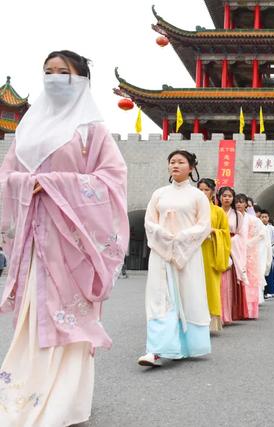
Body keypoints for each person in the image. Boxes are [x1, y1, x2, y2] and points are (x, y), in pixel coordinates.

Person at [0, 50, 129, 426]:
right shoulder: (25, 132)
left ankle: (65, 402)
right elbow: (6, 179)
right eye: (48, 71)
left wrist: (54, 184)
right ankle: (23, 392)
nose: (55, 78)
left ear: (82, 81)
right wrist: (27, 183)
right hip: (33, 240)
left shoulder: (92, 131)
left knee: (68, 316)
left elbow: (112, 181)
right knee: (34, 313)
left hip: (74, 244)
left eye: (64, 72)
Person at [139, 150, 211, 367]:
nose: (175, 165)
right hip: (161, 253)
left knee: (188, 296)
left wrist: (182, 238)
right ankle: (157, 349)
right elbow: (149, 222)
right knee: (160, 299)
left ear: (191, 168)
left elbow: (203, 225)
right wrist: (163, 237)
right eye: (172, 162)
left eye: (181, 162)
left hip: (187, 254)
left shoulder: (198, 196)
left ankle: (187, 345)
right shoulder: (159, 193)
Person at [197, 178, 231, 334]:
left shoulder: (218, 212)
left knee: (210, 287)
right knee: (193, 286)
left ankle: (211, 323)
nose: (203, 193)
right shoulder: (192, 209)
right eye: (200, 189)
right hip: (193, 252)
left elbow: (225, 234)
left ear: (213, 192)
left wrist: (214, 232)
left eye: (206, 190)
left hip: (211, 252)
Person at [218, 187, 249, 322]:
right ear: (219, 197)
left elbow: (240, 234)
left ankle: (228, 313)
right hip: (216, 246)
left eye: (230, 196)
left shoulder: (237, 215)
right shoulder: (215, 211)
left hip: (231, 248)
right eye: (224, 196)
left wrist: (231, 242)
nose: (227, 198)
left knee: (228, 282)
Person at [235, 193, 265, 319]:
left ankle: (250, 310)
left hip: (249, 254)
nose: (239, 204)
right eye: (237, 202)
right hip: (235, 251)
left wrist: (248, 243)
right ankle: (237, 310)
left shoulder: (253, 220)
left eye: (242, 202)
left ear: (246, 204)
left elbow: (261, 234)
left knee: (250, 281)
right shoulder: (231, 217)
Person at [260, 209, 274, 298]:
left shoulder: (272, 229)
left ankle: (268, 291)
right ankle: (261, 291)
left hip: (269, 252)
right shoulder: (258, 226)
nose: (264, 219)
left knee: (269, 272)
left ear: (268, 218)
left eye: (265, 217)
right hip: (260, 251)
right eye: (262, 217)